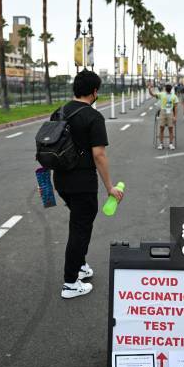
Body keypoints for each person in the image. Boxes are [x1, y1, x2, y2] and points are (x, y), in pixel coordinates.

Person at [50, 69, 124, 299]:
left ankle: (80, 266)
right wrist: (110, 186)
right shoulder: (93, 116)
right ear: (94, 92)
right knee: (80, 229)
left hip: (60, 180)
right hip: (82, 182)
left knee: (79, 223)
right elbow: (99, 155)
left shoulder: (59, 112)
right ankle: (70, 283)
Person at [148, 83, 177, 150]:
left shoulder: (174, 96)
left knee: (171, 128)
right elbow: (152, 94)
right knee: (161, 128)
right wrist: (149, 89)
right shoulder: (162, 94)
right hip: (163, 112)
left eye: (169, 87)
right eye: (167, 87)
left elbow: (175, 107)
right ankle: (161, 144)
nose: (168, 88)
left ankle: (171, 144)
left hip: (170, 112)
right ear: (166, 88)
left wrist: (175, 116)